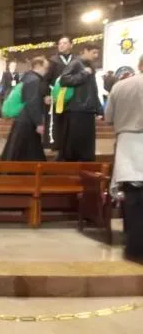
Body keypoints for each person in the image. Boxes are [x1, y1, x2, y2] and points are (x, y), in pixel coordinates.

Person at [105, 55, 143, 261]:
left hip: (128, 144)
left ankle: (134, 247)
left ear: (139, 65)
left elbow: (108, 118)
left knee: (132, 197)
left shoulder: (120, 86)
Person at [57, 43, 103, 162]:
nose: (96, 55)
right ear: (85, 50)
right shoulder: (76, 63)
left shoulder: (90, 66)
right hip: (76, 109)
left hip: (87, 109)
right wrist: (84, 73)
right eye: (94, 52)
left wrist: (98, 108)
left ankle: (86, 165)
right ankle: (72, 166)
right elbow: (64, 80)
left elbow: (93, 89)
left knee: (86, 143)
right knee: (75, 142)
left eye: (97, 53)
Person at [1, 57, 50, 161]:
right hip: (27, 121)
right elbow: (32, 102)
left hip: (23, 119)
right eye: (46, 68)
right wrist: (39, 123)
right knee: (24, 152)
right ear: (38, 66)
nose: (47, 71)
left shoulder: (28, 77)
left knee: (17, 150)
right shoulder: (34, 80)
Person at [46, 36, 75, 149]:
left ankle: (71, 145)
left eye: (64, 43)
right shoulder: (52, 60)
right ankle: (56, 144)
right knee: (58, 120)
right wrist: (46, 94)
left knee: (72, 120)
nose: (61, 45)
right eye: (60, 43)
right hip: (57, 95)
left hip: (73, 96)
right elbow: (46, 79)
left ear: (71, 45)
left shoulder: (76, 60)